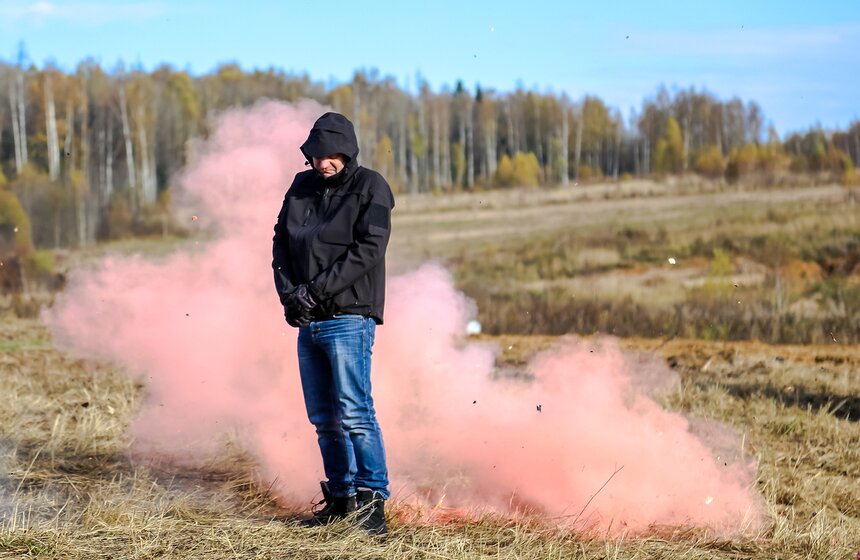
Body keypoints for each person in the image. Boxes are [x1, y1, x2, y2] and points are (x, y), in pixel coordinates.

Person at [272, 112, 394, 536]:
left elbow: (369, 250)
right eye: (316, 156)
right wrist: (289, 295)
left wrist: (315, 291)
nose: (322, 163)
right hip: (310, 320)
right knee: (324, 417)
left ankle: (372, 503)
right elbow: (280, 242)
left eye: (331, 155)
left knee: (355, 412)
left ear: (347, 150)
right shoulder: (301, 186)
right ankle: (341, 500)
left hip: (348, 315)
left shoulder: (371, 186)